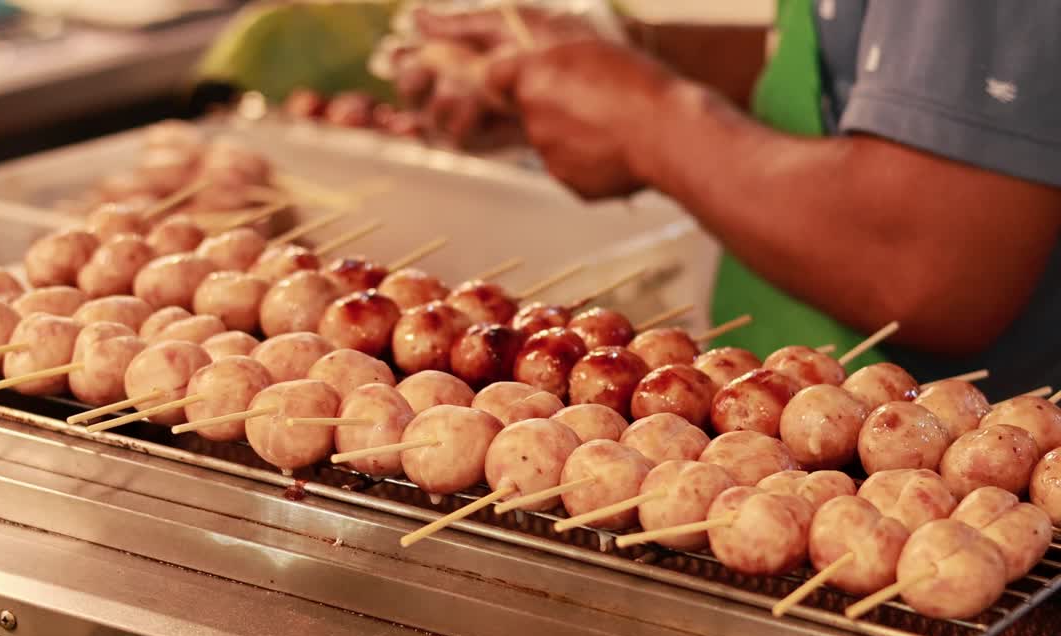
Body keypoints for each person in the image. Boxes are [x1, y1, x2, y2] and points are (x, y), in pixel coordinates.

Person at [393, 0, 1061, 398]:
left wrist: (643, 119)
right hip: (778, 403)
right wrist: (599, 63)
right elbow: (864, 69)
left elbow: (930, 259)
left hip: (943, 497)